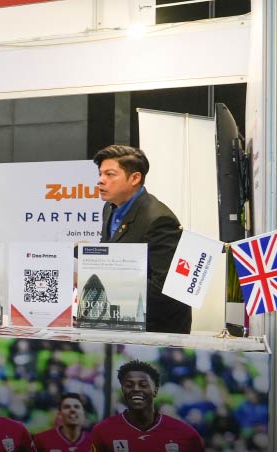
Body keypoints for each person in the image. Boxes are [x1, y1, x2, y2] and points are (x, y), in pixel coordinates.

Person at [93, 145, 190, 334]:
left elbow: (167, 288)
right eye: (100, 174)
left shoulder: (159, 219)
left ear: (135, 178)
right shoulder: (110, 208)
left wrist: (109, 293)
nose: (101, 180)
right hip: (120, 324)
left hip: (155, 331)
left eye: (110, 174)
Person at [91, 361, 204, 451]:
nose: (136, 389)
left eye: (143, 384)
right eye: (129, 385)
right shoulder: (102, 431)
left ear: (155, 391)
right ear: (123, 391)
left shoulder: (186, 434)